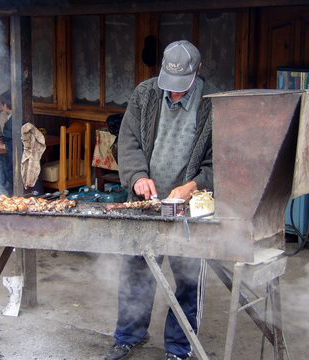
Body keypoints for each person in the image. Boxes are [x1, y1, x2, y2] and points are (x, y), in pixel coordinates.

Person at [104, 40, 213, 360]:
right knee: (136, 270)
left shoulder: (212, 103)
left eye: (182, 87)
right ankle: (129, 335)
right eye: (171, 85)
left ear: (199, 70)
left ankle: (179, 348)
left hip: (188, 207)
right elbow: (129, 141)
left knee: (188, 281)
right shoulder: (145, 94)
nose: (175, 93)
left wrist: (192, 185)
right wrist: (137, 176)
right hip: (146, 203)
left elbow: (218, 162)